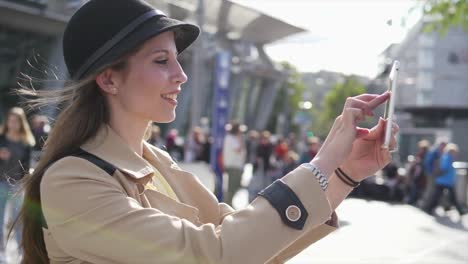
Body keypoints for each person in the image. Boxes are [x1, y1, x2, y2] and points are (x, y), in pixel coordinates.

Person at [13, 1, 398, 263]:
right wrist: (324, 160)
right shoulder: (71, 180)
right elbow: (214, 254)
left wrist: (345, 173)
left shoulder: (155, 161)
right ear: (109, 79)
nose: (181, 75)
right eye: (161, 61)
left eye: (177, 60)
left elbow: (251, 243)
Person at [0, 107, 35, 261]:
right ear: (7, 122)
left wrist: (25, 183)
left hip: (17, 184)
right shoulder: (1, 138)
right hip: (1, 183)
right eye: (10, 120)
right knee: (0, 218)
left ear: (21, 123)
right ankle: (2, 251)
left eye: (16, 121)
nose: (13, 123)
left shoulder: (26, 142)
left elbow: (27, 167)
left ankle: (22, 252)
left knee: (17, 219)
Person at [423, 143, 467, 217]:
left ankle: (460, 211)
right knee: (437, 196)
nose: (455, 153)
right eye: (454, 152)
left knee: (449, 197)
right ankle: (428, 208)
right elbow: (443, 168)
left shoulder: (449, 157)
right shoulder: (447, 157)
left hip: (447, 181)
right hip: (443, 181)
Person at [222, 121, 246, 205]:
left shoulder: (231, 138)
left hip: (236, 166)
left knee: (234, 187)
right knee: (232, 188)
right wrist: (240, 139)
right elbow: (238, 149)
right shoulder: (231, 138)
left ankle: (229, 203)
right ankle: (228, 204)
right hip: (233, 166)